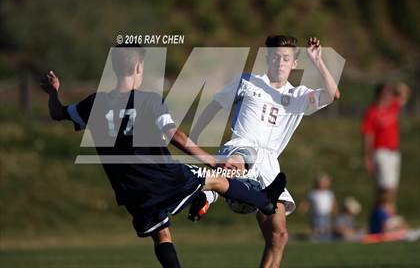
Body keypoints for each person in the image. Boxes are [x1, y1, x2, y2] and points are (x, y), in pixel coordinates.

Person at [39, 46, 287, 268]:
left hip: (130, 189)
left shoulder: (93, 103)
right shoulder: (148, 100)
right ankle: (263, 200)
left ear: (114, 67)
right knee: (214, 179)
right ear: (139, 67)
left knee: (161, 235)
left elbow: (58, 113)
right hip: (163, 176)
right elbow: (174, 135)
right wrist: (211, 160)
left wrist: (53, 93)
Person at [189, 36, 340, 267]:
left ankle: (215, 190)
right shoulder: (247, 82)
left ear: (294, 63)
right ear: (267, 59)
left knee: (278, 236)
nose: (280, 62)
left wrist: (318, 61)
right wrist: (195, 136)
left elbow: (333, 94)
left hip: (270, 165)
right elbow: (214, 106)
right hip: (241, 145)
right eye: (276, 57)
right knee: (240, 160)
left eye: (286, 58)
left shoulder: (299, 95)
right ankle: (208, 194)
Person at [361, 82, 411, 212]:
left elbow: (405, 91)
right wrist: (368, 157)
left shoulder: (393, 106)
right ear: (380, 94)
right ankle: (384, 216)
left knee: (392, 187)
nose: (389, 95)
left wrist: (395, 88)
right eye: (386, 92)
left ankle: (385, 216)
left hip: (394, 152)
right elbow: (368, 136)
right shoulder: (373, 112)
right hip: (381, 152)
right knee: (385, 188)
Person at [300, 173, 336, 241]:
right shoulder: (313, 193)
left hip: (327, 214)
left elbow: (333, 204)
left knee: (326, 227)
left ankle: (325, 238)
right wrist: (304, 208)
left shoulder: (329, 193)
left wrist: (333, 211)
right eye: (321, 182)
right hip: (316, 214)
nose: (322, 184)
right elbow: (307, 202)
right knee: (317, 227)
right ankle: (316, 238)